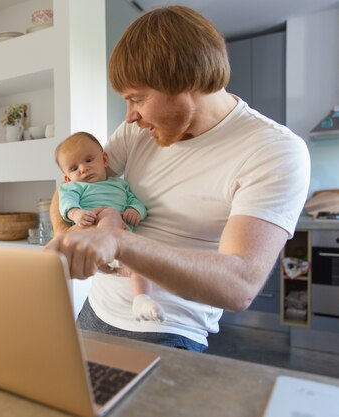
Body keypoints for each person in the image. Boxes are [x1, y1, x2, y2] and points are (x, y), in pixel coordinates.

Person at [45, 5, 310, 352]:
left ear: (188, 81)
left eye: (138, 99)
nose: (130, 115)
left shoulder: (274, 150)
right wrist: (67, 235)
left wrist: (120, 243)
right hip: (95, 312)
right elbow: (74, 184)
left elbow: (240, 283)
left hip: (168, 329)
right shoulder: (137, 131)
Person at [55, 131, 164, 321]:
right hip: (92, 230)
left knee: (140, 263)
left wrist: (136, 211)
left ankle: (141, 299)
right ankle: (101, 247)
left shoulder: (120, 185)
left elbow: (135, 201)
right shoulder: (74, 187)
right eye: (73, 168)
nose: (83, 169)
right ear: (67, 178)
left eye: (89, 160)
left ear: (104, 159)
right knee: (110, 212)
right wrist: (77, 214)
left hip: (120, 240)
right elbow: (67, 203)